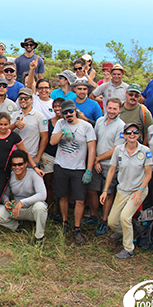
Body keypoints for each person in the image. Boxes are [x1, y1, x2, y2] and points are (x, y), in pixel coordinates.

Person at [0, 113, 45, 236]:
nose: (3, 127)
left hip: (5, 173)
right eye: (0, 124)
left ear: (9, 124)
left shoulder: (14, 137)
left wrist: (35, 167)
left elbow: (24, 152)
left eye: (6, 124)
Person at [101, 123, 153, 260]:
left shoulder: (145, 151)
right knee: (112, 222)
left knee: (125, 217)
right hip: (122, 190)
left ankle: (128, 249)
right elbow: (112, 170)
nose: (132, 135)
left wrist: (140, 191)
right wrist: (105, 190)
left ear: (139, 135)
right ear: (124, 135)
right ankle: (132, 231)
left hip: (138, 190)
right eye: (129, 132)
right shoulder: (118, 150)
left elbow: (148, 174)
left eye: (135, 132)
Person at [49, 100, 97, 245]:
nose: (68, 114)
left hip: (78, 167)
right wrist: (62, 132)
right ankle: (65, 221)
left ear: (75, 111)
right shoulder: (60, 124)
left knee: (80, 199)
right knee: (62, 197)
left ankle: (77, 227)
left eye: (70, 111)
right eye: (65, 112)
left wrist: (89, 170)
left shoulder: (86, 126)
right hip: (61, 165)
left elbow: (92, 149)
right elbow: (52, 141)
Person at [86, 98, 126, 236]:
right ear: (105, 108)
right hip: (97, 162)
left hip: (111, 165)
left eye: (115, 109)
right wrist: (95, 160)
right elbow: (94, 140)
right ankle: (93, 216)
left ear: (120, 109)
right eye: (110, 108)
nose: (112, 111)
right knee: (92, 190)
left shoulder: (121, 126)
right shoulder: (99, 121)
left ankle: (104, 221)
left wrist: (98, 158)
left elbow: (116, 148)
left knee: (108, 193)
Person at [0, 150, 48, 245]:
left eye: (20, 164)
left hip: (32, 208)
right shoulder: (11, 175)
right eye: (14, 165)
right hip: (16, 210)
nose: (17, 167)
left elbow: (42, 195)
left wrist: (22, 202)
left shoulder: (34, 174)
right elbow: (4, 194)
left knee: (40, 207)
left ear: (26, 164)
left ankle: (39, 236)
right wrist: (6, 202)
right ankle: (17, 227)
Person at [10, 88, 48, 164]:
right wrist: (15, 125)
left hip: (31, 156)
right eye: (21, 98)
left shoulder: (40, 116)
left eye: (26, 98)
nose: (23, 100)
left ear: (32, 99)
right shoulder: (14, 115)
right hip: (15, 156)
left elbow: (45, 138)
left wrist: (38, 157)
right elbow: (5, 131)